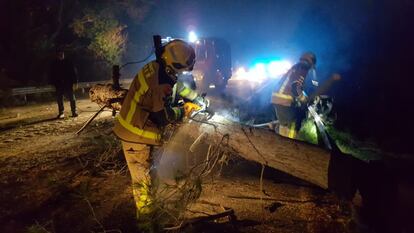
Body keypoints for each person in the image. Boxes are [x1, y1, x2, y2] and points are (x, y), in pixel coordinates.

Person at [113, 39, 207, 232]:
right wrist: (184, 112)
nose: (183, 72)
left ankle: (152, 216)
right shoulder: (159, 82)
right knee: (143, 187)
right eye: (183, 68)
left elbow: (179, 88)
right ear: (176, 64)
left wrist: (196, 99)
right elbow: (163, 116)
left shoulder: (159, 67)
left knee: (150, 180)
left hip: (139, 133)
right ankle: (147, 226)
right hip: (135, 136)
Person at [271, 52, 318, 139]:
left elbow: (296, 86)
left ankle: (281, 140)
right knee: (293, 123)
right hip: (284, 100)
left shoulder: (297, 66)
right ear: (311, 61)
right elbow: (295, 87)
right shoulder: (303, 67)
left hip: (278, 98)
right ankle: (289, 144)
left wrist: (302, 94)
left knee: (285, 123)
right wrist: (304, 100)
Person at [49, 48, 78, 118]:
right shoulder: (54, 63)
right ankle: (61, 112)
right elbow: (51, 74)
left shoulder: (69, 62)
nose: (61, 55)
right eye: (59, 54)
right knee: (59, 99)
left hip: (68, 83)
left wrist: (75, 82)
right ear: (57, 55)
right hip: (59, 84)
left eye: (62, 54)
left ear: (64, 54)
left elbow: (74, 72)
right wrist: (52, 83)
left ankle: (74, 111)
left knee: (72, 98)